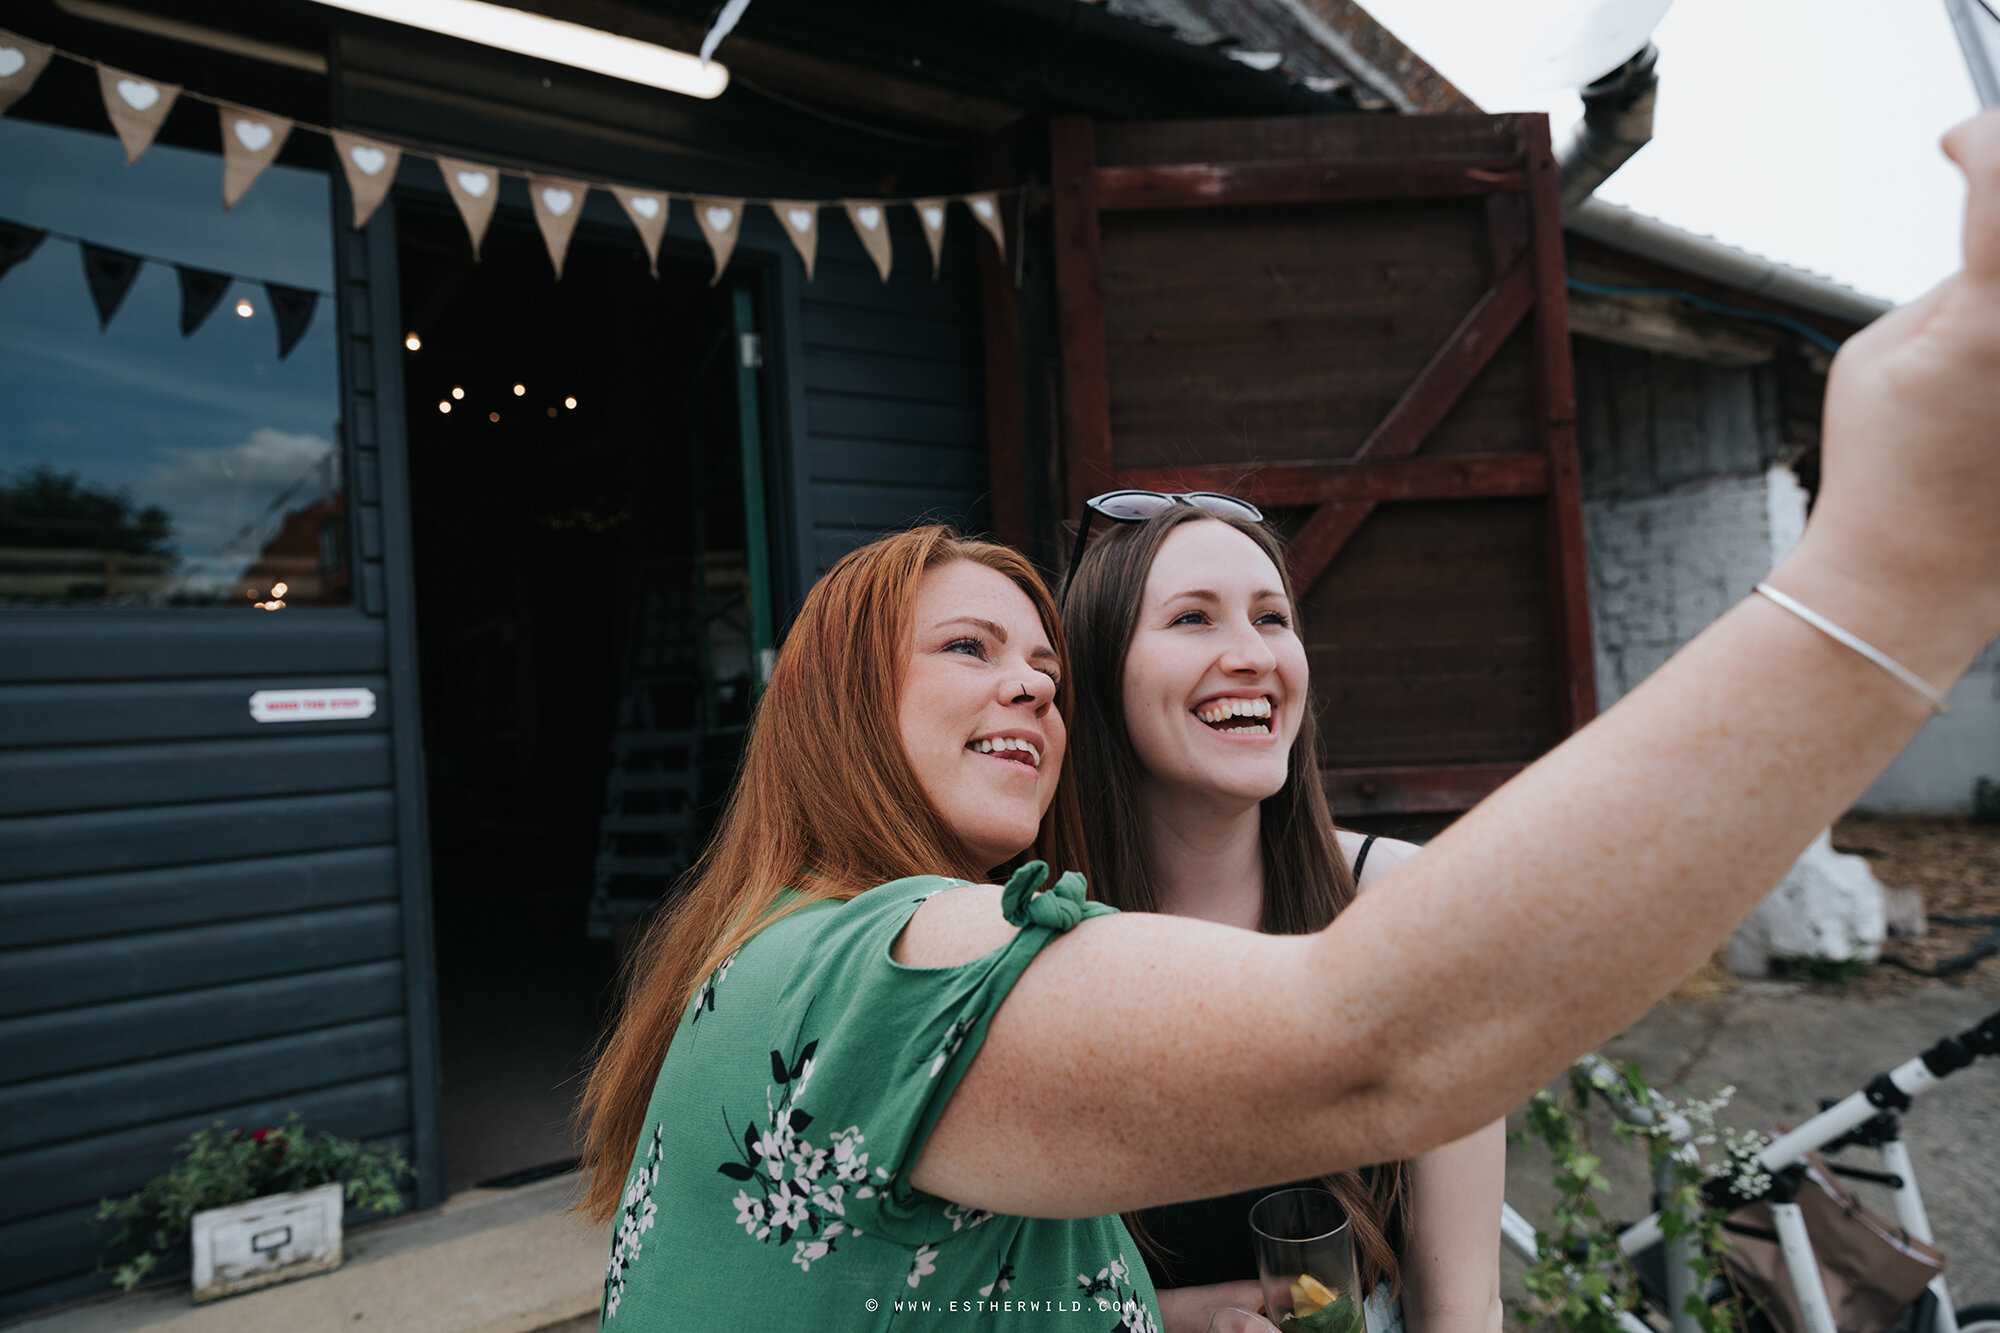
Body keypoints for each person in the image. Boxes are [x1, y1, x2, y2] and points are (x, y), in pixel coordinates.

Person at [577, 110, 2000, 1332]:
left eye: (1041, 670)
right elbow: (1380, 1040)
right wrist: (1899, 569)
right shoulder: (889, 962)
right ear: (833, 711)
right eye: (968, 648)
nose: (1029, 687)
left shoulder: (798, 956)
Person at [1061, 502, 1503, 1333]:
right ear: (1097, 668)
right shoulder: (1029, 934)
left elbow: (1465, 1308)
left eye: (1273, 618)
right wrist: (1176, 1317)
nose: (1252, 655)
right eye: (1193, 617)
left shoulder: (1404, 905)